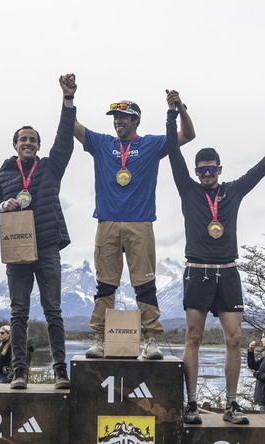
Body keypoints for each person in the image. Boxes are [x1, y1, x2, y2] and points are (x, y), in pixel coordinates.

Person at [166, 91, 265, 424]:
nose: (206, 174)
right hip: (197, 270)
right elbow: (172, 152)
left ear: (219, 169)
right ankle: (191, 404)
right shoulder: (188, 190)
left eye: (211, 169)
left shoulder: (233, 191)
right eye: (201, 170)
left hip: (227, 271)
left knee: (235, 339)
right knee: (193, 338)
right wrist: (172, 114)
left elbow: (261, 169)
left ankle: (231, 405)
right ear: (196, 172)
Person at [73, 88, 196, 360]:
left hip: (140, 223)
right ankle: (100, 339)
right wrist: (67, 98)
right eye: (115, 117)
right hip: (107, 222)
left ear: (136, 120)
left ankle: (150, 340)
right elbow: (73, 125)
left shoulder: (152, 144)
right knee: (105, 285)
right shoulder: (102, 143)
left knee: (145, 284)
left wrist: (181, 108)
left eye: (123, 117)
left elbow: (188, 135)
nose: (117, 121)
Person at [0, 74, 77, 390]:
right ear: (15, 145)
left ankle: (60, 372)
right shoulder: (0, 178)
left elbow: (64, 139)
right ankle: (19, 372)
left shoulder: (50, 168)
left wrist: (67, 100)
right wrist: (1, 207)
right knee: (18, 314)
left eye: (33, 140)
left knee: (53, 312)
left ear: (38, 145)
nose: (28, 143)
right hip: (17, 250)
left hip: (47, 247)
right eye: (23, 139)